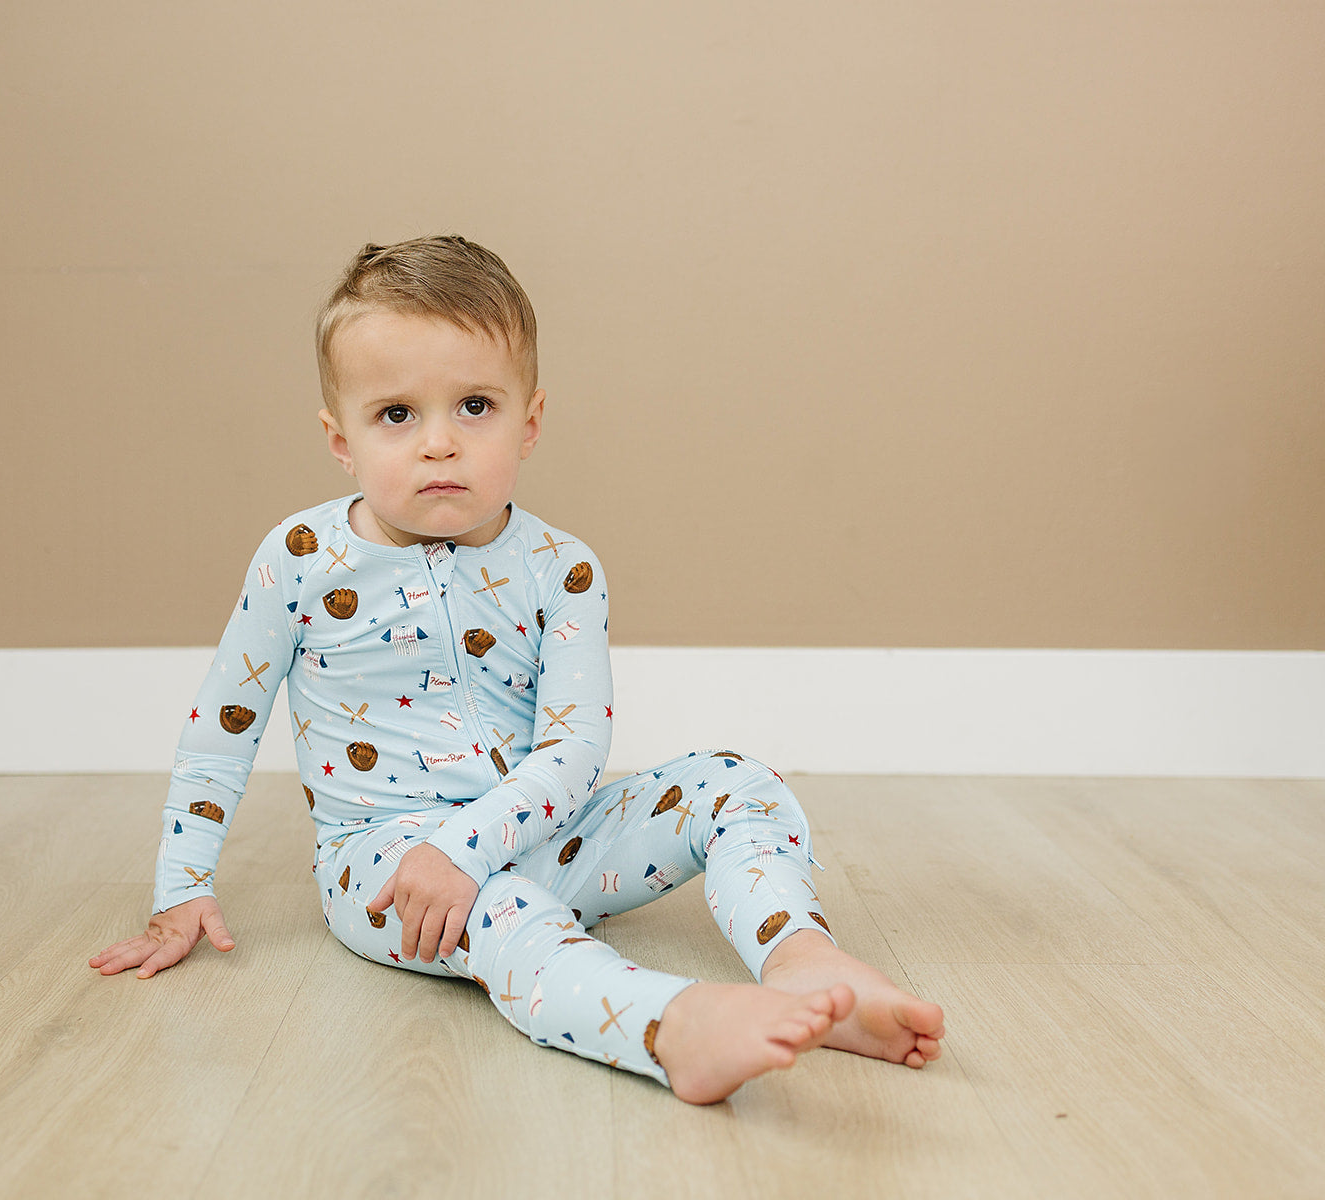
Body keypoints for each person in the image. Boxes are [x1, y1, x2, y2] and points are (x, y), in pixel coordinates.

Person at [88, 235, 945, 1104]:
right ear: (340, 439)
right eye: (396, 415)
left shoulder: (561, 569)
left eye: (474, 406)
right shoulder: (301, 558)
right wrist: (182, 886)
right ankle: (666, 1026)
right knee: (507, 916)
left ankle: (801, 958)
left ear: (528, 423)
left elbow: (575, 751)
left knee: (737, 781)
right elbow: (220, 729)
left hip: (541, 833)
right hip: (388, 864)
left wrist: (473, 846)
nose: (438, 444)